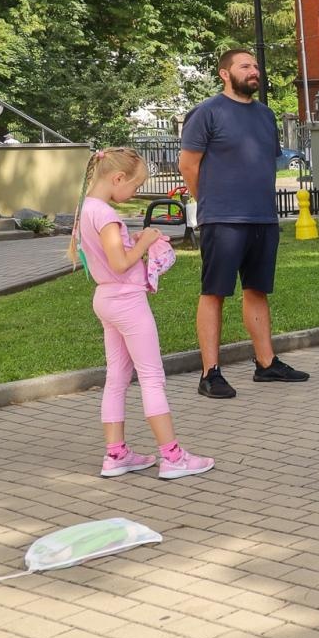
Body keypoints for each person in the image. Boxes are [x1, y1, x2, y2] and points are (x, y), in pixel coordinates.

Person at [69, 147, 214, 480]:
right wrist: (146, 241)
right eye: (133, 186)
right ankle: (173, 456)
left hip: (106, 298)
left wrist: (131, 242)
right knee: (152, 377)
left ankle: (116, 454)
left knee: (116, 379)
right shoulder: (106, 215)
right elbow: (121, 263)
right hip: (127, 301)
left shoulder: (86, 209)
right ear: (116, 178)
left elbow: (108, 258)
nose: (133, 193)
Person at [180, 48, 309, 399]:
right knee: (215, 292)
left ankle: (266, 364)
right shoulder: (206, 113)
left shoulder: (266, 116)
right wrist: (209, 202)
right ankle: (210, 373)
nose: (254, 71)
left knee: (257, 289)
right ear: (225, 73)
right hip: (223, 220)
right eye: (245, 66)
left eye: (255, 66)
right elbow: (189, 165)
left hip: (263, 218)